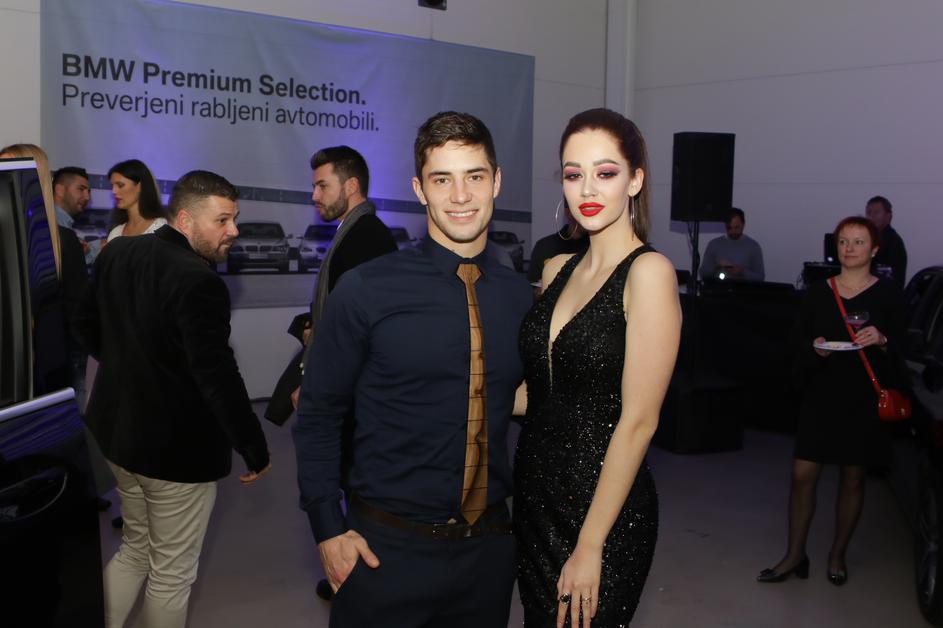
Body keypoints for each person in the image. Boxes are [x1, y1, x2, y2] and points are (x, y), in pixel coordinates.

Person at [293, 111, 532, 627]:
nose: (461, 196)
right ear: (420, 190)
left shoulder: (519, 298)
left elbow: (516, 396)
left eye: (474, 176)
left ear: (497, 181)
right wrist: (327, 528)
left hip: (488, 555)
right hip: (385, 552)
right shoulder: (367, 289)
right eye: (442, 180)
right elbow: (319, 413)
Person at [74, 170, 272, 628]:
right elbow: (216, 375)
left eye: (235, 219)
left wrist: (128, 365)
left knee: (135, 549)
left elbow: (83, 325)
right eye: (222, 220)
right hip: (173, 455)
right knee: (171, 576)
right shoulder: (199, 281)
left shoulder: (118, 252)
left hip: (117, 439)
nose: (233, 231)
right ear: (185, 220)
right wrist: (254, 446)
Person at [514, 108, 681, 627]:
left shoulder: (649, 273)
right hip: (535, 496)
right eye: (573, 174)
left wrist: (590, 545)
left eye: (605, 172)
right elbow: (542, 391)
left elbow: (639, 421)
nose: (586, 188)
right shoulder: (556, 269)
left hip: (602, 513)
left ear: (635, 181)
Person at [757, 216, 907, 587]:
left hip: (863, 397)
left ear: (874, 249)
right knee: (802, 476)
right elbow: (796, 343)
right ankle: (795, 555)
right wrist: (815, 349)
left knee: (853, 479)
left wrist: (883, 340)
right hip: (821, 394)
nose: (849, 248)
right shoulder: (817, 293)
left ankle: (837, 555)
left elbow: (905, 348)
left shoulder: (888, 294)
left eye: (858, 242)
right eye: (843, 241)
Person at [527, 210, 589, 291]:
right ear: (568, 213)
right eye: (583, 211)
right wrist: (540, 292)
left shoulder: (597, 247)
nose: (588, 218)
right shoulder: (545, 246)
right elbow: (532, 286)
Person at [106, 158, 166, 241]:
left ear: (140, 186)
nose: (114, 191)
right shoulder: (115, 233)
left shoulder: (160, 228)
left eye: (120, 185)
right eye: (112, 186)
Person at [699, 207, 765, 281]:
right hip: (718, 287)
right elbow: (703, 272)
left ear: (743, 224)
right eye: (729, 228)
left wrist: (742, 272)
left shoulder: (753, 247)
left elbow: (760, 277)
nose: (733, 231)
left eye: (736, 227)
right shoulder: (714, 244)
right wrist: (717, 268)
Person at [865, 195, 908, 289]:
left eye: (876, 212)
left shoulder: (892, 241)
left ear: (888, 216)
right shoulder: (871, 238)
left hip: (884, 295)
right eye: (868, 213)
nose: (871, 217)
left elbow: (884, 276)